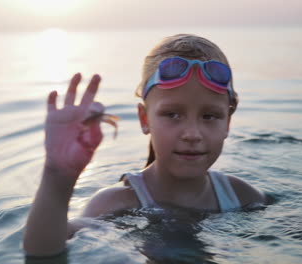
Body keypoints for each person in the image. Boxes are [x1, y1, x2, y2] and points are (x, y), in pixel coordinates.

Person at [23, 34, 266, 258]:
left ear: (228, 123)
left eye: (210, 116)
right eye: (172, 114)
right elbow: (44, 250)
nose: (192, 134)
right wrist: (57, 179)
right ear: (144, 119)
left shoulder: (241, 195)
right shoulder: (117, 203)